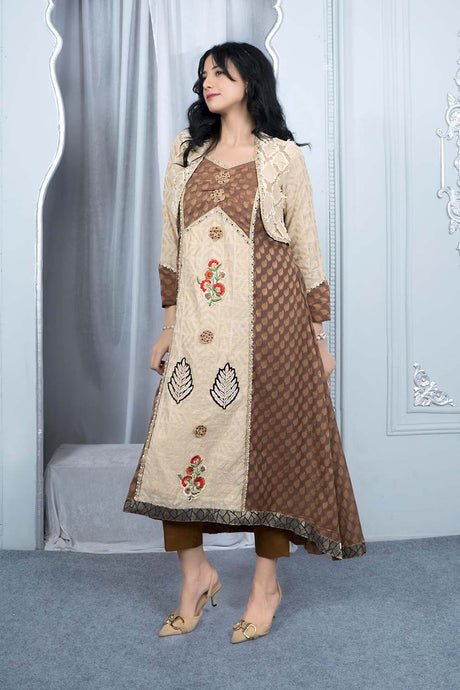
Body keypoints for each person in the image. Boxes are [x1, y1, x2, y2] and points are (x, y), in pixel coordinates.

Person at [123, 41, 366, 643]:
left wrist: (318, 336)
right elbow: (171, 245)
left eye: (221, 72)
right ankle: (196, 577)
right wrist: (168, 325)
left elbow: (305, 247)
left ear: (249, 81)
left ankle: (265, 587)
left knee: (271, 455)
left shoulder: (281, 158)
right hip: (200, 329)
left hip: (272, 326)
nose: (208, 81)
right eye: (203, 74)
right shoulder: (185, 153)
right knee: (175, 450)